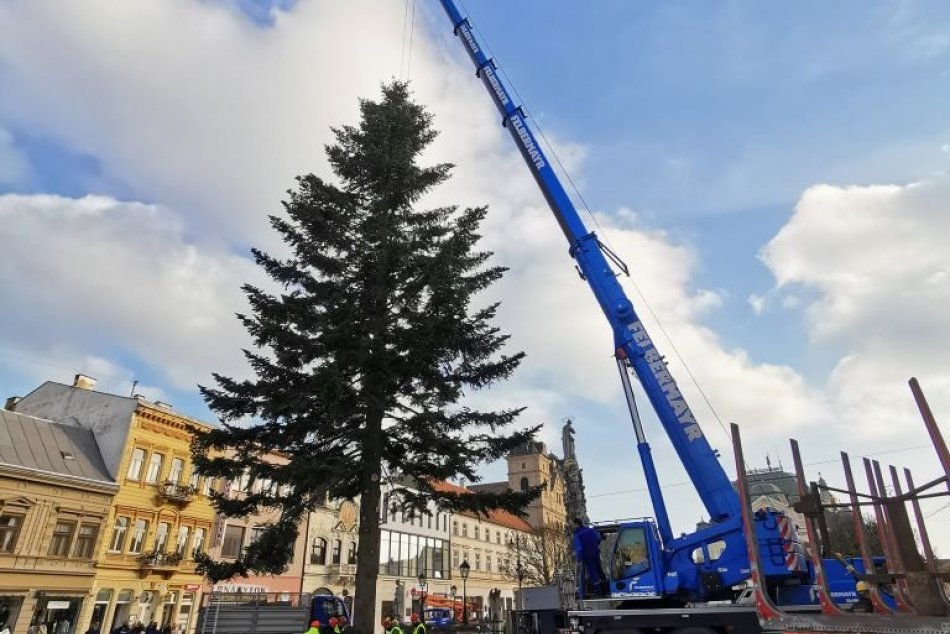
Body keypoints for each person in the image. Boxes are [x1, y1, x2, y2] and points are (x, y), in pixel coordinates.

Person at [573, 517, 608, 596]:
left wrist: (578, 559)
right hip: (595, 552)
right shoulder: (590, 530)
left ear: (576, 524)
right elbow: (598, 539)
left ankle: (598, 590)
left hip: (587, 555)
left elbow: (579, 548)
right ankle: (606, 587)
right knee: (599, 569)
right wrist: (595, 545)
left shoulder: (577, 533)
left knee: (592, 572)